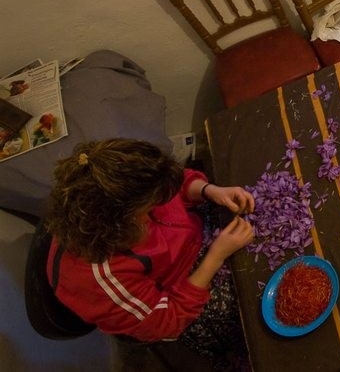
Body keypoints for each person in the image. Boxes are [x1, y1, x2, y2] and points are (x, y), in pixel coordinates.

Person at [44, 139, 255, 364]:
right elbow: (168, 322)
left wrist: (209, 191)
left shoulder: (125, 190)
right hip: (179, 296)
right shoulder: (104, 279)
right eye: (150, 209)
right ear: (124, 225)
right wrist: (216, 256)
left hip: (197, 238)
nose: (159, 205)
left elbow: (173, 184)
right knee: (249, 304)